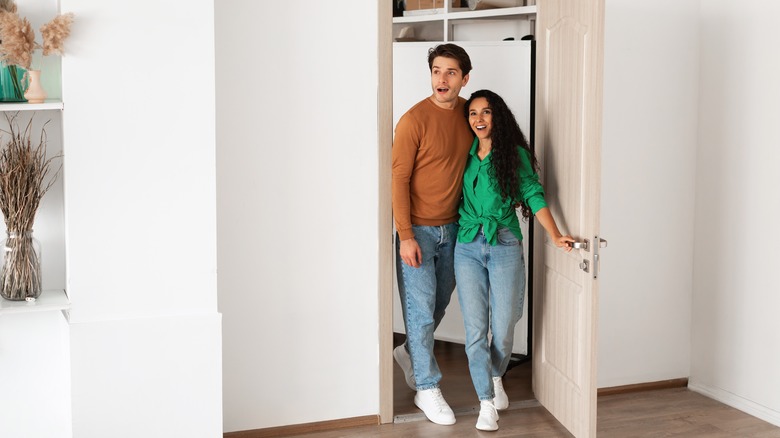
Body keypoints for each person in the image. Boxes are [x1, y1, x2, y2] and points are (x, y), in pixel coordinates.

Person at [454, 89, 574, 431]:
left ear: (498, 117)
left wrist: (554, 234)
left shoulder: (513, 154)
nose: (478, 119)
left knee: (505, 327)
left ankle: (495, 375)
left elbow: (533, 194)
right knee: (476, 330)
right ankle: (486, 403)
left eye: (486, 112)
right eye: (473, 113)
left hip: (504, 243)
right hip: (466, 246)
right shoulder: (464, 154)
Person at [391, 43, 474, 426]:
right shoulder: (413, 120)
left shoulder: (472, 116)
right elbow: (399, 179)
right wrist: (405, 234)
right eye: (437, 71)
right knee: (421, 312)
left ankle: (410, 351)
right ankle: (427, 386)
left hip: (456, 228)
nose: (442, 79)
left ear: (464, 78)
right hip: (418, 232)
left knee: (438, 303)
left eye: (451, 72)